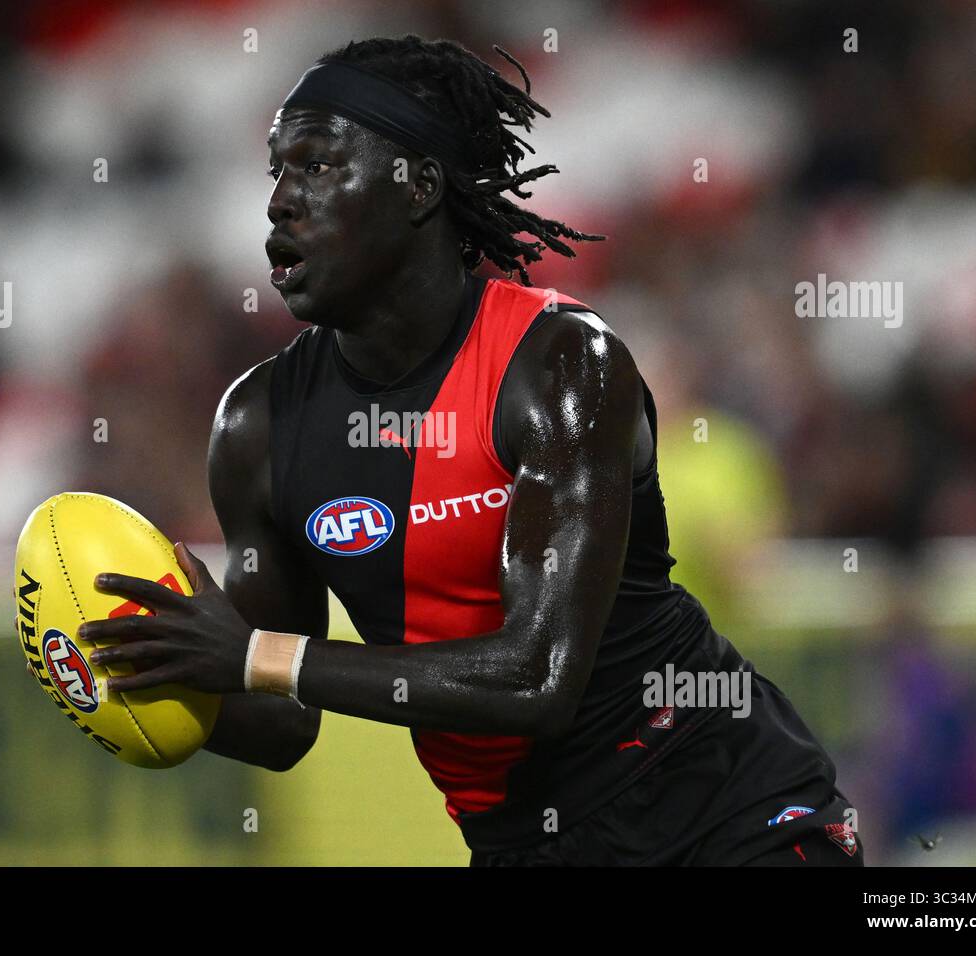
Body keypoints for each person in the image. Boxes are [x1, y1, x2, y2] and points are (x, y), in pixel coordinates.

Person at [79, 35, 862, 866]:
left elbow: (537, 680)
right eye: (276, 171)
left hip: (722, 810)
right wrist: (152, 679)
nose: (278, 202)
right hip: (524, 845)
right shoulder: (257, 426)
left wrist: (254, 656)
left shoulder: (561, 366)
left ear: (418, 186)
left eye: (316, 168)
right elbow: (282, 723)